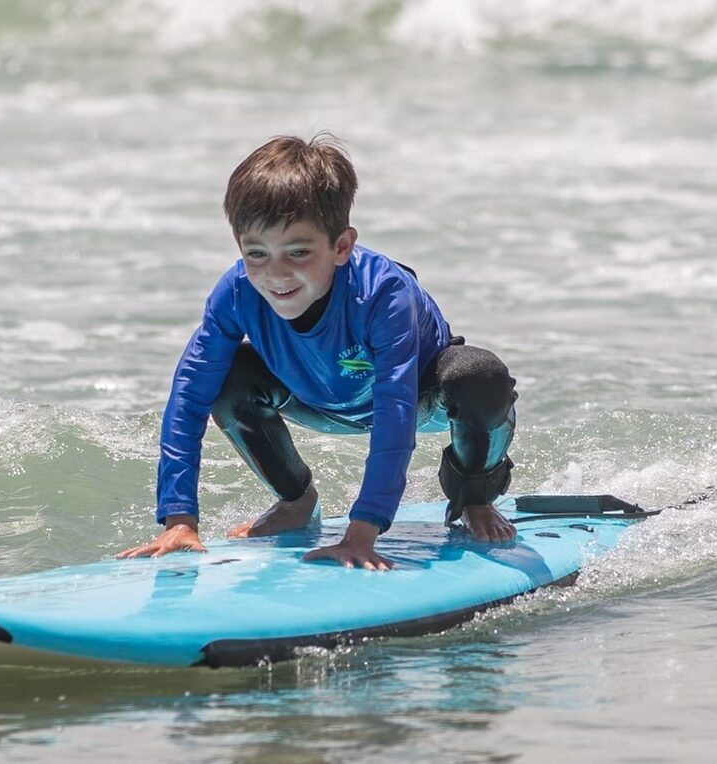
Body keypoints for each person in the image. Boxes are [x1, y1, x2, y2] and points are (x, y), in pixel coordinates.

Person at [118, 135, 518, 569]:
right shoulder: (234, 294)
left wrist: (363, 530)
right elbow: (188, 398)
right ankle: (296, 501)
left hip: (420, 398)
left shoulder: (383, 295)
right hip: (314, 398)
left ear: (341, 246)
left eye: (299, 252)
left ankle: (475, 494)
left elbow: (395, 413)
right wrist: (180, 519)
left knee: (480, 375)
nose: (276, 274)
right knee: (226, 375)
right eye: (257, 253)